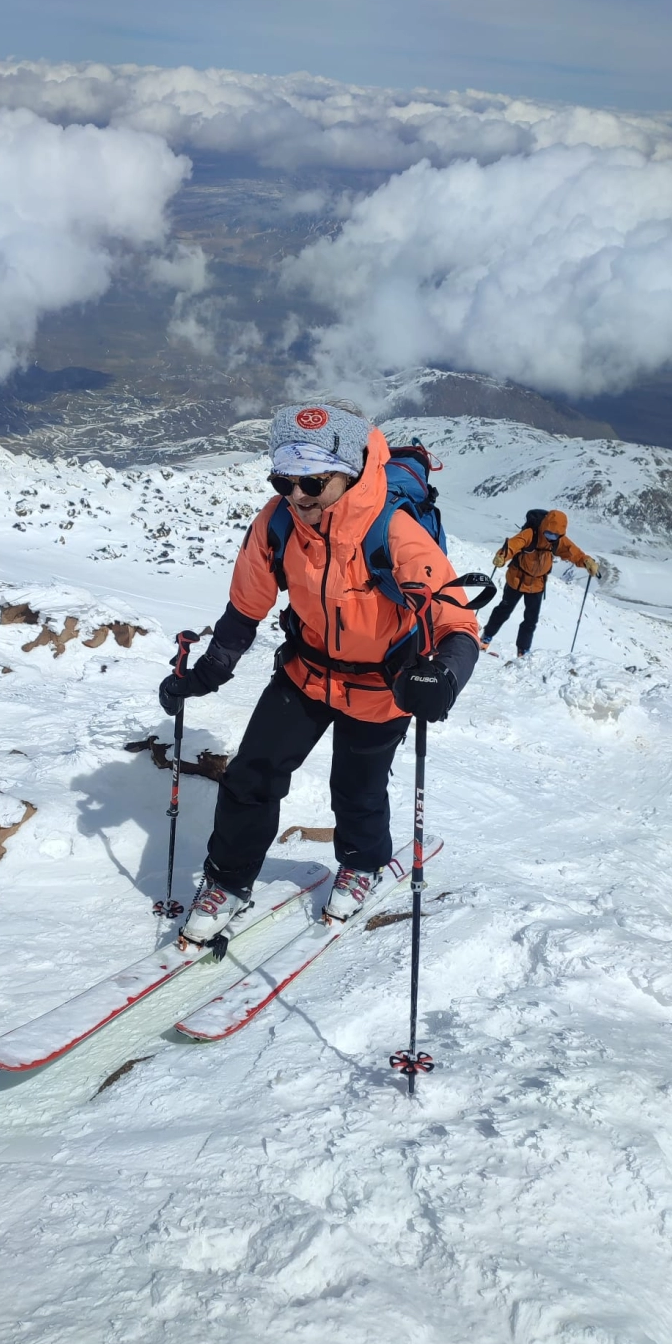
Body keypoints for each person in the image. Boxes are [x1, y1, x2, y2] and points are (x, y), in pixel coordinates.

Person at [158, 401, 480, 941]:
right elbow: (246, 608)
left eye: (312, 482)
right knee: (251, 776)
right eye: (283, 481)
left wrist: (444, 675)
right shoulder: (278, 523)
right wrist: (204, 676)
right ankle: (228, 880)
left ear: (349, 472)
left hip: (381, 687)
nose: (297, 496)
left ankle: (362, 864)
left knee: (357, 789)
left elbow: (457, 623)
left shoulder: (394, 532)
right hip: (305, 672)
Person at [481, 509, 599, 658]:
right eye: (548, 533)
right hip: (517, 579)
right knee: (504, 610)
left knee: (531, 620)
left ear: (560, 534)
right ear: (544, 527)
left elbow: (573, 552)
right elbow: (513, 545)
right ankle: (486, 637)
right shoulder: (530, 534)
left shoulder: (558, 541)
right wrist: (502, 556)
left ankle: (523, 651)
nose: (550, 538)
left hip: (537, 584)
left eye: (555, 535)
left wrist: (587, 561)